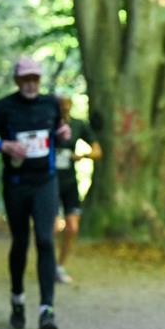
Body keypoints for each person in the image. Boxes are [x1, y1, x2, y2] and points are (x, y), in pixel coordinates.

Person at [0, 57, 71, 329]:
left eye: (35, 79)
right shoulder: (3, 108)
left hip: (45, 183)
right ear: (17, 81)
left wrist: (64, 133)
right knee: (20, 242)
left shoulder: (52, 104)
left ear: (40, 81)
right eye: (26, 79)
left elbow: (61, 133)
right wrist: (4, 145)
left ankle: (47, 310)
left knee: (45, 240)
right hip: (16, 184)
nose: (31, 84)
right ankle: (17, 299)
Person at [53, 93, 102, 284]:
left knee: (72, 226)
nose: (64, 108)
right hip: (49, 182)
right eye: (60, 105)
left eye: (67, 104)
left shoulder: (78, 125)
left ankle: (60, 266)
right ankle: (48, 265)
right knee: (53, 227)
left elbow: (97, 151)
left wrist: (81, 156)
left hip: (69, 182)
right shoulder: (48, 124)